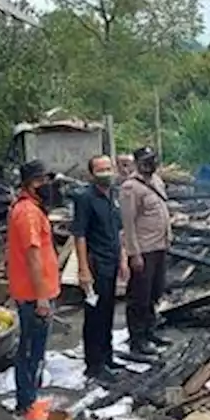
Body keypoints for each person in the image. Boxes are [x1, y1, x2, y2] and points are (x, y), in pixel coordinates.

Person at [5, 160, 61, 420]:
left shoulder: (32, 209)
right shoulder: (27, 213)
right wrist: (41, 297)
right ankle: (27, 405)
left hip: (36, 291)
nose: (47, 186)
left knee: (34, 350)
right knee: (30, 351)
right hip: (33, 294)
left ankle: (30, 401)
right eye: (41, 181)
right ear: (29, 184)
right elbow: (33, 256)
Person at [72, 155, 130, 383]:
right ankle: (94, 365)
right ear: (91, 174)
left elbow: (118, 232)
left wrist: (123, 259)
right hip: (96, 264)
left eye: (108, 168)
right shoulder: (85, 198)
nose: (106, 172)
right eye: (100, 169)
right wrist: (83, 269)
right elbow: (80, 234)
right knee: (95, 315)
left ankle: (107, 357)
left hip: (112, 261)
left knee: (108, 312)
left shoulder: (112, 196)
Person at [120, 146, 173, 355]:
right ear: (137, 163)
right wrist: (134, 253)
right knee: (139, 297)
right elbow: (128, 223)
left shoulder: (157, 181)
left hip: (160, 246)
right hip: (144, 249)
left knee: (154, 292)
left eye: (152, 160)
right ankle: (137, 339)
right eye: (145, 161)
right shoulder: (131, 188)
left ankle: (150, 331)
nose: (149, 164)